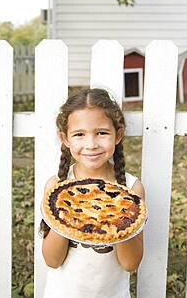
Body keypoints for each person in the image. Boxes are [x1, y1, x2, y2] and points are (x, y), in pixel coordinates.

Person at [40, 87, 145, 298]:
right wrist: (69, 213)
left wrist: (118, 217)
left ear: (118, 135)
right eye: (79, 134)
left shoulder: (131, 190)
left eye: (102, 133)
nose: (91, 144)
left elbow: (130, 263)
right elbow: (52, 260)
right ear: (65, 139)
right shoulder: (57, 189)